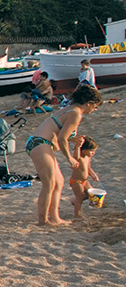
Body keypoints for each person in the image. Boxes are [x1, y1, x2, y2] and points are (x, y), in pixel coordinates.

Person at [27, 83, 102, 226]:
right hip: (39, 142)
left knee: (59, 181)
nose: (95, 109)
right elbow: (61, 139)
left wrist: (73, 139)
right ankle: (43, 221)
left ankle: (55, 218)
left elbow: (60, 132)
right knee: (49, 184)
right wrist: (69, 158)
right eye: (95, 106)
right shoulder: (76, 113)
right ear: (89, 103)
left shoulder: (70, 109)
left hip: (41, 142)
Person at [70, 136, 100, 217]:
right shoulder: (79, 157)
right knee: (79, 199)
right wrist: (78, 146)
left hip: (85, 181)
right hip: (76, 182)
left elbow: (88, 168)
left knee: (90, 194)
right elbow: (75, 157)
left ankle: (74, 200)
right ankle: (77, 215)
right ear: (84, 150)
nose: (93, 153)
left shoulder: (87, 157)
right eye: (91, 151)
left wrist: (93, 175)